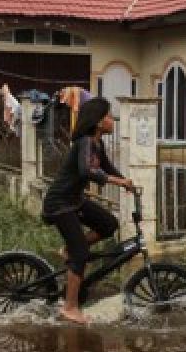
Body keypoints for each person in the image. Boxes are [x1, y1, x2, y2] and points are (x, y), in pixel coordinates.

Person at [42, 97, 133, 324]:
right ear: (99, 121)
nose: (113, 120)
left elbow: (106, 167)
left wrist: (126, 182)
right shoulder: (84, 142)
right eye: (110, 116)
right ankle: (70, 307)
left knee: (109, 224)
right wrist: (116, 182)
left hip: (74, 200)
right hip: (60, 203)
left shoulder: (97, 143)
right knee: (81, 253)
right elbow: (86, 171)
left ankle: (70, 250)